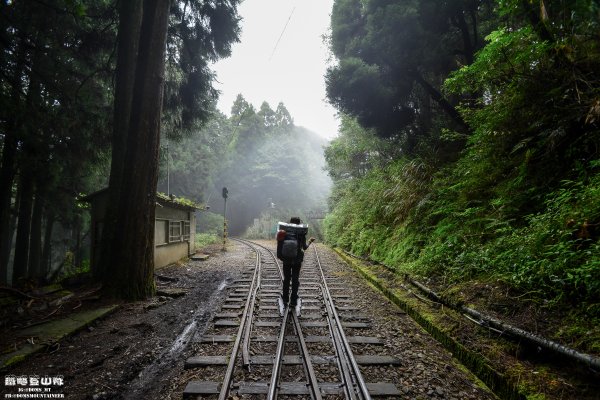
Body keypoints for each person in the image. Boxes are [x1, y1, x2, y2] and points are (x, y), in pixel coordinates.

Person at [277, 217, 315, 311]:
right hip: (297, 260)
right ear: (299, 224)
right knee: (295, 279)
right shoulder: (301, 233)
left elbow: (279, 245)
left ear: (290, 223)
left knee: (286, 279)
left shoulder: (284, 232)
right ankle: (293, 300)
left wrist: (282, 257)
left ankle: (285, 298)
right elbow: (304, 248)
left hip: (286, 260)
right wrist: (310, 241)